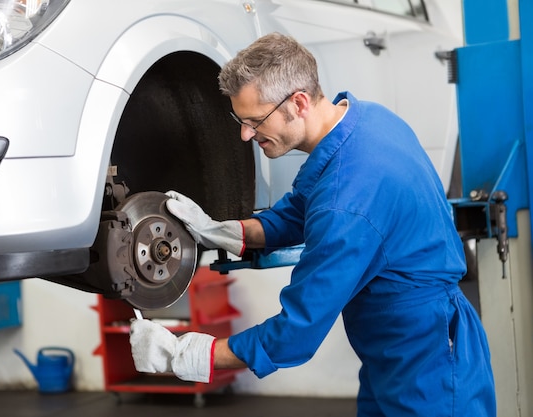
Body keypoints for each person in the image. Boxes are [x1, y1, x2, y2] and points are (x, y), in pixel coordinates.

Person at [129, 33, 496, 416]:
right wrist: (226, 230)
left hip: (428, 362)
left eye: (255, 121)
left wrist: (181, 355)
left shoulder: (346, 204)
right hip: (391, 354)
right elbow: (299, 211)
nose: (245, 134)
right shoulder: (364, 121)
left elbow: (295, 335)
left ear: (298, 102)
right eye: (240, 120)